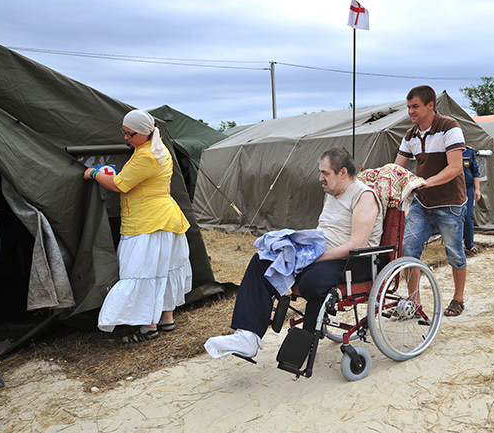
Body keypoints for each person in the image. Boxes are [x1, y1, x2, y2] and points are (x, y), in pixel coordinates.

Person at [204, 146, 383, 360]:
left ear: (343, 172)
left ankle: (305, 337)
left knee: (310, 283)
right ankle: (247, 336)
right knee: (262, 260)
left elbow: (357, 245)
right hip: (321, 254)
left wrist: (313, 258)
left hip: (353, 262)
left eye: (325, 173)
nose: (320, 178)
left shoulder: (364, 196)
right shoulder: (332, 194)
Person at [85, 109, 192, 343]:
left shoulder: (146, 156)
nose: (125, 138)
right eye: (123, 132)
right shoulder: (156, 147)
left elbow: (118, 184)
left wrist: (93, 173)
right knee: (163, 270)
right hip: (165, 218)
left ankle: (148, 327)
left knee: (143, 273)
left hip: (147, 222)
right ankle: (166, 319)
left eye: (129, 134)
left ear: (144, 133)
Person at [394, 85, 468, 317]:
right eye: (408, 107)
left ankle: (458, 298)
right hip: (423, 203)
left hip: (450, 203)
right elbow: (397, 168)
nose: (411, 112)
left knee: (454, 252)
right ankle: (414, 303)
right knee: (407, 249)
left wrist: (425, 182)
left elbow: (455, 168)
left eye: (415, 106)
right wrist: (377, 179)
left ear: (430, 105)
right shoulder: (410, 135)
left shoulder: (450, 127)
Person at [462, 146, 481, 254]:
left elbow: (475, 171)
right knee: (455, 216)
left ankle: (469, 244)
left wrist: (477, 189)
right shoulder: (448, 151)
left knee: (468, 215)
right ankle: (457, 243)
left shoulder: (469, 152)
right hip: (453, 189)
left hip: (468, 188)